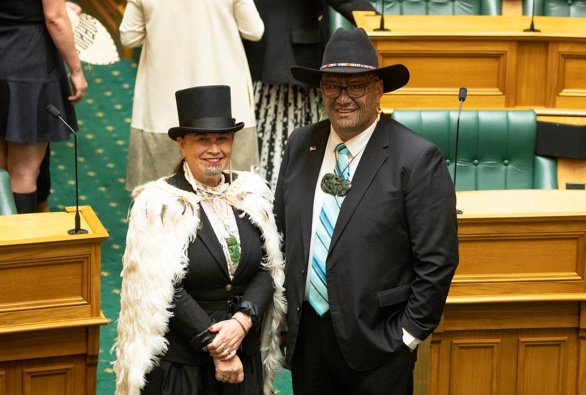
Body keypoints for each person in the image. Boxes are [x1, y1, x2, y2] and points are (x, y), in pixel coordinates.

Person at [274, 28, 460, 395]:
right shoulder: (301, 144)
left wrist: (406, 336)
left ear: (377, 89)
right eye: (332, 86)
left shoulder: (416, 158)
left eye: (355, 86)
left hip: (379, 347)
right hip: (308, 339)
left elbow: (437, 262)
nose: (342, 99)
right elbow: (281, 235)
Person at [113, 85, 286, 395]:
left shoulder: (250, 194)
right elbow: (162, 288)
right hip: (184, 364)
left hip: (243, 353)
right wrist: (217, 346)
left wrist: (243, 320)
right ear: (182, 144)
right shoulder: (159, 204)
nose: (214, 149)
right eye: (202, 140)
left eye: (222, 139)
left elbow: (268, 265)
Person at [120, 0, 264, 192]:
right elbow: (254, 30)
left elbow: (129, 37)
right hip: (223, 102)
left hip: (164, 106)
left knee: (162, 198)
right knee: (234, 194)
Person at [243, 0, 376, 189]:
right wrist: (376, 19)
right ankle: (278, 201)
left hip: (266, 49)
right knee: (285, 139)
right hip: (287, 52)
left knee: (273, 137)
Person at [0, 0, 87, 213]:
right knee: (23, 172)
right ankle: (19, 245)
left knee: (2, 170)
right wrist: (76, 70)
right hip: (29, 62)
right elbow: (54, 18)